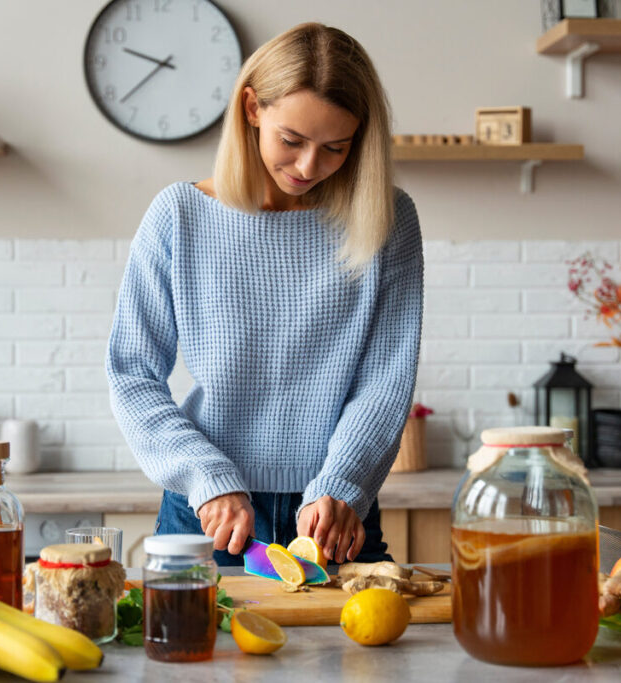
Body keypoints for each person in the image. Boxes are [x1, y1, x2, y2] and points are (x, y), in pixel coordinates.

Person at [106, 22, 423, 567]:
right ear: (252, 108)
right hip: (210, 515)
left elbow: (386, 379)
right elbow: (132, 372)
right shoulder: (180, 217)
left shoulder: (388, 221)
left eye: (335, 148)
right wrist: (205, 476)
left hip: (337, 515)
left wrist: (344, 482)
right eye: (291, 141)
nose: (307, 168)